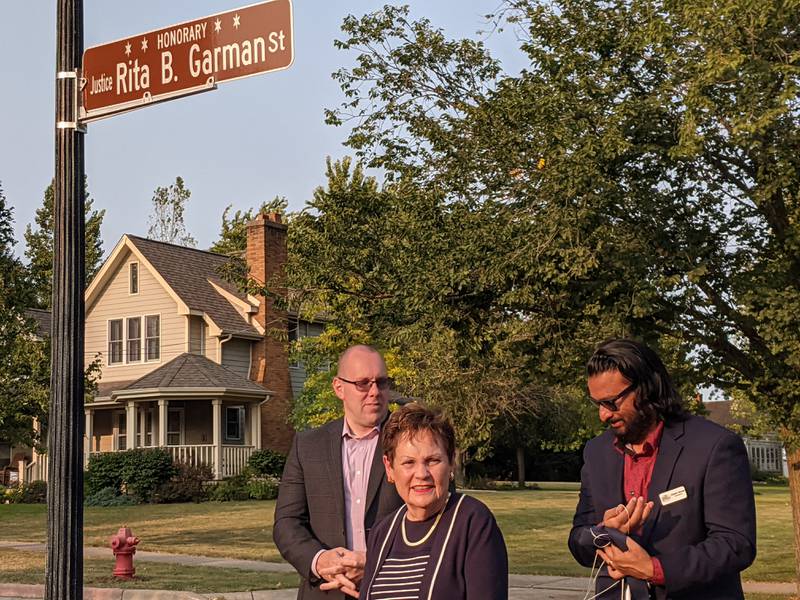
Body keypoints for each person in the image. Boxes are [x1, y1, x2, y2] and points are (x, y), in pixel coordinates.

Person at [568, 338, 757, 600]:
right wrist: (603, 531)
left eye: (611, 402)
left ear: (647, 388)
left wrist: (653, 569)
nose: (603, 415)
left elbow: (735, 544)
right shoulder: (596, 452)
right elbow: (578, 540)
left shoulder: (715, 446)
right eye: (597, 403)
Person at [273, 345, 404, 599]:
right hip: (324, 591)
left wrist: (374, 562)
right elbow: (287, 522)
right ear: (338, 388)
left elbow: (437, 521)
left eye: (381, 382)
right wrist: (319, 560)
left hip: (392, 589)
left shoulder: (412, 441)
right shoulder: (308, 446)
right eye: (363, 383)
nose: (375, 392)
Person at [359, 403, 508, 600]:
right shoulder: (382, 532)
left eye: (433, 461)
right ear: (389, 468)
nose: (421, 474)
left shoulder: (472, 522)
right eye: (408, 462)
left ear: (451, 462)